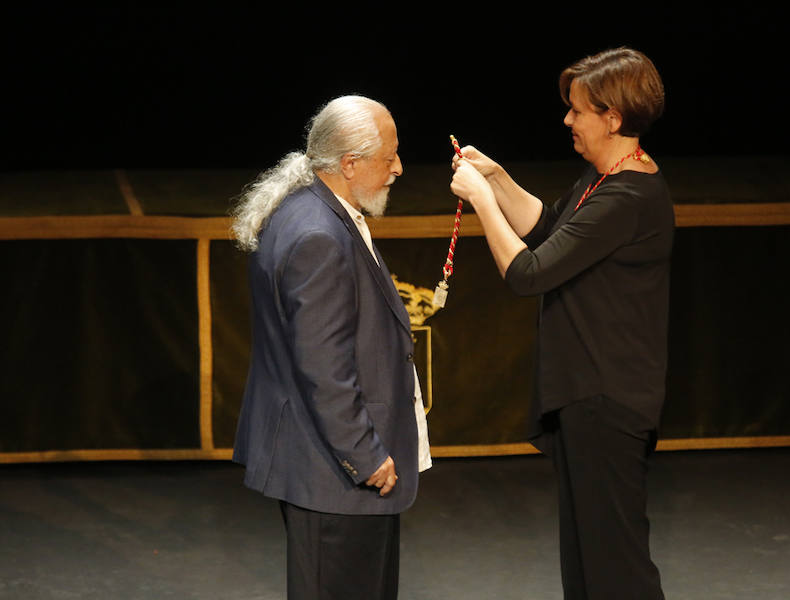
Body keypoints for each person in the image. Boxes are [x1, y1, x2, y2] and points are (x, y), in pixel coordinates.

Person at [450, 47, 671, 599]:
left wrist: (481, 202)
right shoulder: (604, 179)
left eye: (577, 110)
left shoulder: (629, 196)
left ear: (612, 118)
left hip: (607, 398)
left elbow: (528, 272)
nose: (567, 120)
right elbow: (551, 230)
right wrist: (497, 178)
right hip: (586, 396)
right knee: (587, 561)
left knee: (614, 565)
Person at [231, 95, 430, 600]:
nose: (398, 169)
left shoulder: (307, 209)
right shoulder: (320, 234)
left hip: (321, 465)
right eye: (389, 158)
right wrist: (365, 455)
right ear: (349, 163)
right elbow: (324, 368)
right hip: (333, 473)